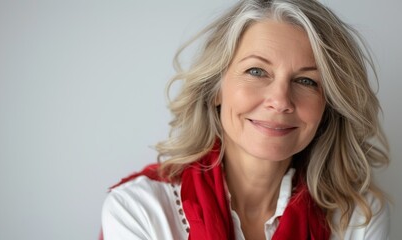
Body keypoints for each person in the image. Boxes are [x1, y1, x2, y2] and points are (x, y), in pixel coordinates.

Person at [100, 0, 390, 239]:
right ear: (216, 89)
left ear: (328, 106)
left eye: (306, 80)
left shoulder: (358, 217)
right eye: (256, 71)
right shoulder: (139, 209)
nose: (280, 100)